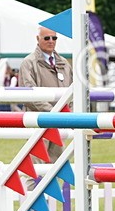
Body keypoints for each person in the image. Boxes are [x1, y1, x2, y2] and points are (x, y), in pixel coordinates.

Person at [19, 27, 74, 157]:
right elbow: (28, 94)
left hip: (60, 121)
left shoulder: (65, 64)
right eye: (46, 38)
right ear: (38, 39)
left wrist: (67, 112)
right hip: (39, 121)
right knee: (34, 167)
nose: (51, 41)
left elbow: (73, 91)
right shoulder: (28, 63)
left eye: (54, 38)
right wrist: (54, 112)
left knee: (58, 165)